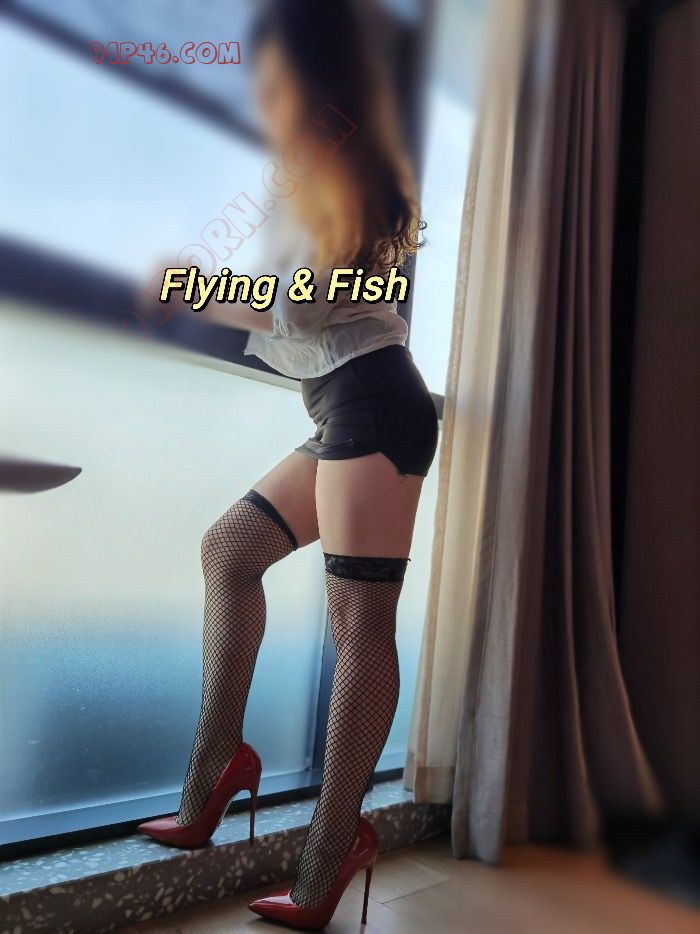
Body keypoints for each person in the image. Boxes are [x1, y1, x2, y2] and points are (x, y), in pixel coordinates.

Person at [138, 2, 438, 929]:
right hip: (346, 407)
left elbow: (297, 308)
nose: (262, 97)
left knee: (359, 624)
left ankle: (331, 848)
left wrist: (189, 289)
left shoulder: (337, 163)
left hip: (374, 404)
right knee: (230, 550)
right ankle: (216, 771)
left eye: (272, 80)